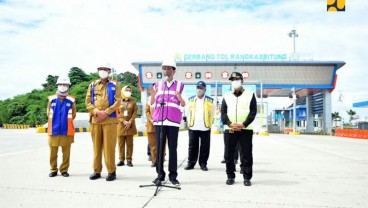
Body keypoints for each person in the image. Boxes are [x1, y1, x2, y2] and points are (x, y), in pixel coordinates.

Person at [149, 59, 185, 186]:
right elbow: (152, 103)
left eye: (169, 68)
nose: (166, 70)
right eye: (164, 68)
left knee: (173, 149)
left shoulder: (181, 85)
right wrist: (152, 96)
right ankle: (160, 175)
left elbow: (183, 105)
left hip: (174, 121)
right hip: (160, 121)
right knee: (159, 149)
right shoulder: (157, 85)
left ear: (174, 70)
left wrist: (180, 98)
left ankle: (173, 175)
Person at [85, 65, 121, 181]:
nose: (102, 71)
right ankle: (97, 170)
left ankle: (111, 171)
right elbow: (88, 102)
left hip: (110, 120)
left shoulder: (115, 85)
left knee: (109, 147)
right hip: (96, 120)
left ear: (109, 71)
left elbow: (118, 101)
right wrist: (96, 112)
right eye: (100, 69)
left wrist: (106, 113)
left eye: (105, 69)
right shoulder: (92, 84)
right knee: (96, 147)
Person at [221, 72, 257, 186]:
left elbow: (253, 112)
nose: (234, 81)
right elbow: (223, 112)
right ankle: (230, 176)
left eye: (237, 79)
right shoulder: (226, 95)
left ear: (242, 80)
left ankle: (247, 177)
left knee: (246, 154)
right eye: (232, 79)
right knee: (229, 155)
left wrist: (244, 124)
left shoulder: (250, 94)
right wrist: (229, 123)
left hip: (245, 129)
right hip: (230, 129)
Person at [47, 76, 76, 177]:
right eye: (60, 84)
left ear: (68, 86)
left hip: (67, 130)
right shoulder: (51, 99)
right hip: (53, 130)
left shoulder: (71, 100)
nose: (62, 86)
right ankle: (53, 169)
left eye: (65, 84)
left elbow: (74, 115)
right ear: (57, 85)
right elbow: (48, 113)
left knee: (66, 153)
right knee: (53, 153)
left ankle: (64, 170)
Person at [184, 81, 213, 171]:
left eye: (201, 88)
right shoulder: (190, 99)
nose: (199, 90)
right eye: (198, 88)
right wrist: (187, 122)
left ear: (205, 89)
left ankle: (203, 163)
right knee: (192, 146)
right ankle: (191, 163)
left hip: (205, 126)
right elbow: (187, 111)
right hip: (193, 126)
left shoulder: (210, 100)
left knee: (205, 147)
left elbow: (213, 112)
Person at [117, 85, 138, 167]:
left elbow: (135, 113)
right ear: (122, 91)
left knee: (130, 144)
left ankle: (129, 160)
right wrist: (123, 121)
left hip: (130, 125)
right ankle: (121, 160)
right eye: (126, 90)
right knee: (120, 144)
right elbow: (116, 113)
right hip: (120, 125)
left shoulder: (133, 101)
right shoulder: (118, 101)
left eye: (129, 90)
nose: (128, 91)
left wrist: (129, 122)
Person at [145, 93, 157, 167]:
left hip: (160, 124)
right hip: (151, 125)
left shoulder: (161, 98)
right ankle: (154, 160)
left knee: (161, 144)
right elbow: (147, 111)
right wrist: (151, 120)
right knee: (152, 145)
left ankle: (160, 159)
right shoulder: (149, 100)